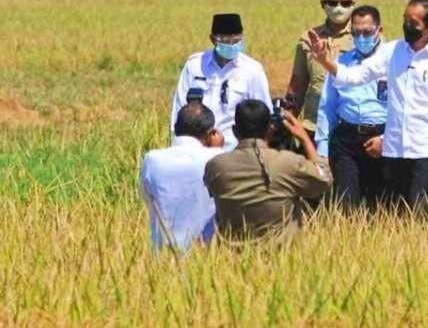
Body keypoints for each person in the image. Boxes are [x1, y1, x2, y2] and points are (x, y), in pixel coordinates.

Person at [309, 0, 428, 216]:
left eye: (414, 23)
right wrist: (326, 61)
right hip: (394, 149)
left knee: (419, 212)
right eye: (405, 20)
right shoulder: (393, 51)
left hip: (426, 148)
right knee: (393, 213)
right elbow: (357, 76)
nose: (408, 26)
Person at [204, 99, 332, 240]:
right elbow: (324, 179)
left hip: (232, 256)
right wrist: (305, 138)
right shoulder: (287, 163)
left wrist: (214, 150)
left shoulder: (215, 166)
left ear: (235, 131)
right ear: (270, 128)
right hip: (282, 256)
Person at [315, 5, 388, 208]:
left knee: (381, 206)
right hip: (347, 139)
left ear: (379, 31)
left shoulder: (393, 61)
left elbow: (403, 108)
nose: (361, 37)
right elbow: (327, 105)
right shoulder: (343, 62)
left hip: (383, 138)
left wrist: (385, 139)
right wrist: (322, 147)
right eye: (356, 32)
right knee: (346, 203)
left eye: (367, 32)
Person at [171, 13, 272, 150]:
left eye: (236, 41)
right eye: (225, 41)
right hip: (198, 148)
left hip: (236, 150)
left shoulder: (252, 70)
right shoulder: (195, 65)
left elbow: (264, 114)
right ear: (213, 39)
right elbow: (180, 108)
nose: (231, 45)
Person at [140, 103, 224, 250]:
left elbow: (148, 200)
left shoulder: (152, 159)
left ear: (177, 128)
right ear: (209, 134)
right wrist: (219, 150)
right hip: (206, 256)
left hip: (161, 254)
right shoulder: (216, 157)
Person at [286, 0, 355, 135]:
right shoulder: (308, 39)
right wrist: (286, 125)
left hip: (350, 129)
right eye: (333, 3)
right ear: (323, 4)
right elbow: (297, 87)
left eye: (345, 3)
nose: (339, 8)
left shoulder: (364, 39)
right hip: (313, 128)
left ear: (353, 5)